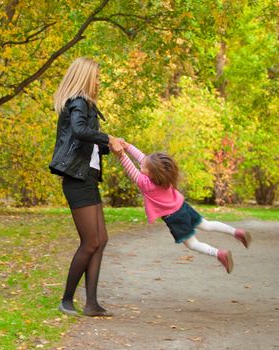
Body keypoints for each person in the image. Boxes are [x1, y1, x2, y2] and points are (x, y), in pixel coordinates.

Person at [49, 57, 123, 317]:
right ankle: (66, 300)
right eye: (97, 76)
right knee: (90, 242)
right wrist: (108, 138)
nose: (99, 81)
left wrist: (107, 145)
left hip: (87, 177)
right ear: (85, 77)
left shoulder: (86, 104)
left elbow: (86, 140)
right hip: (76, 179)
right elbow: (80, 131)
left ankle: (91, 303)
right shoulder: (78, 101)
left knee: (101, 240)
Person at [113, 141, 252, 273]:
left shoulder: (146, 184)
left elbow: (129, 167)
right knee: (207, 225)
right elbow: (142, 159)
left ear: (151, 173)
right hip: (182, 207)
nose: (140, 167)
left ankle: (219, 254)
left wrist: (121, 153)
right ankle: (236, 232)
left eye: (143, 167)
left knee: (193, 244)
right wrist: (128, 146)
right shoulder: (164, 178)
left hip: (174, 218)